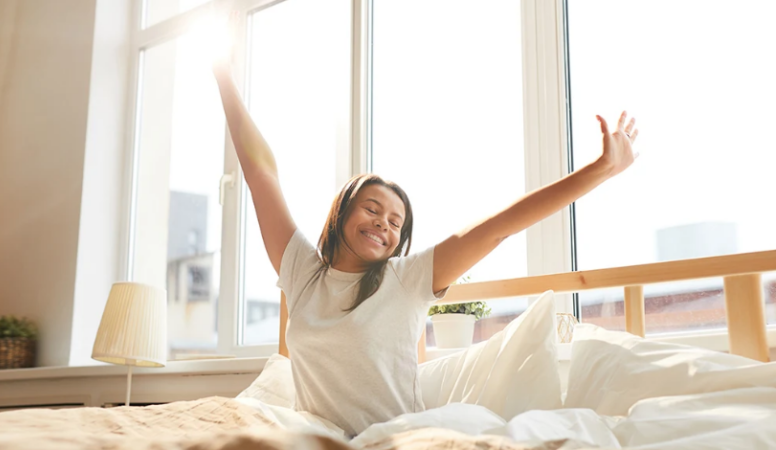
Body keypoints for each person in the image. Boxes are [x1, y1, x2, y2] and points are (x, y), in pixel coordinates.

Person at [211, 53, 638, 437]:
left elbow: (499, 228)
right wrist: (224, 75)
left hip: (398, 440)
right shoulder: (302, 272)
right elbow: (260, 173)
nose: (383, 224)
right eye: (372, 209)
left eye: (395, 223)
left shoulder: (406, 278)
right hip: (321, 440)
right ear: (341, 213)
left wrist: (599, 170)